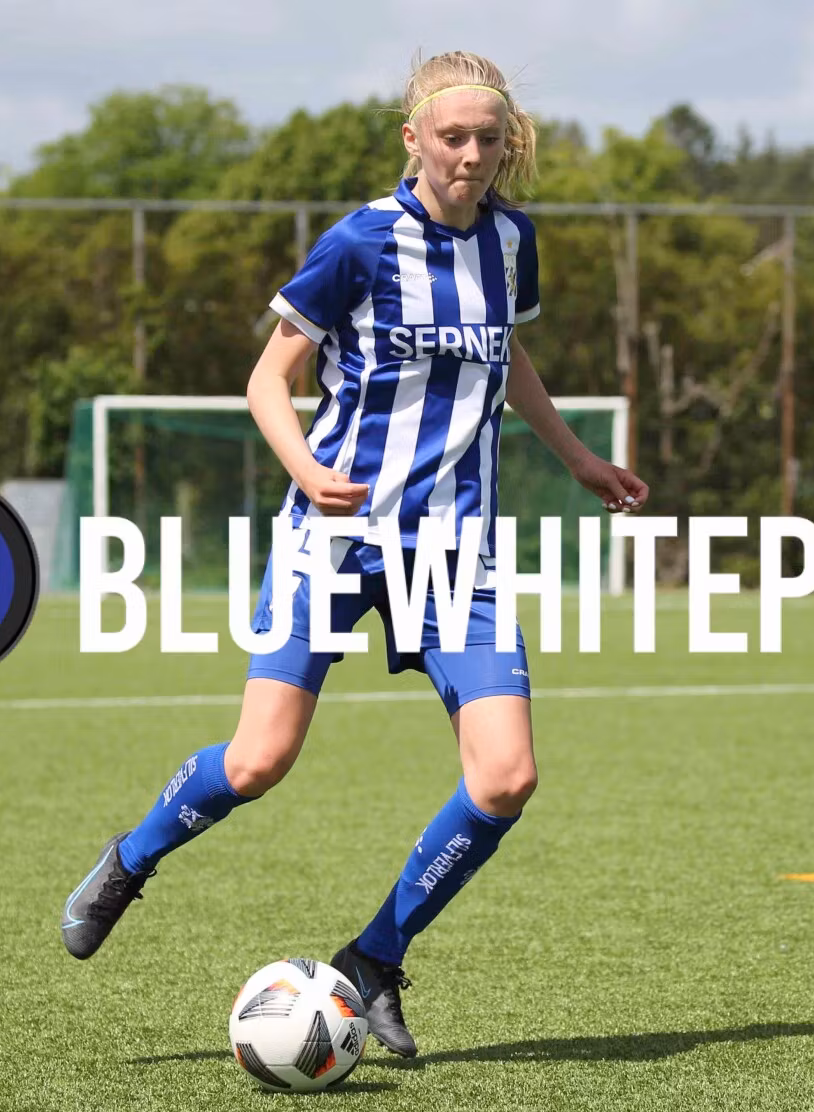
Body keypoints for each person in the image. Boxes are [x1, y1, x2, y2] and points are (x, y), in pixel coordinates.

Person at [57, 50, 650, 1060]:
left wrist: (578, 457)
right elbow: (268, 380)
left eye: (488, 139)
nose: (471, 156)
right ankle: (130, 859)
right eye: (452, 138)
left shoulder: (512, 241)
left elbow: (506, 356)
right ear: (413, 139)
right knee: (259, 761)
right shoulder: (360, 241)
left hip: (453, 546)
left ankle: (374, 959)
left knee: (506, 778)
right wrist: (305, 467)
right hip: (332, 537)